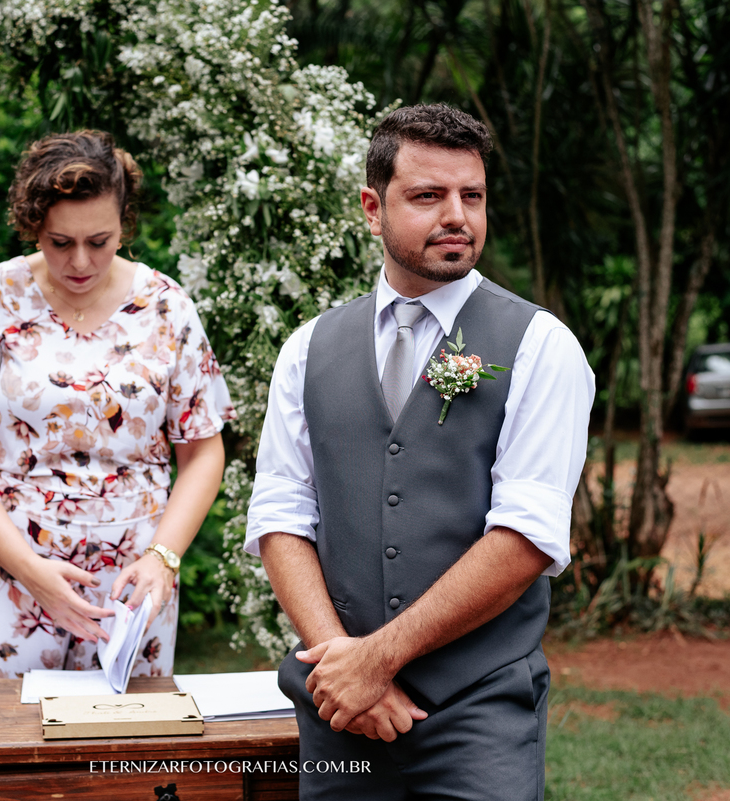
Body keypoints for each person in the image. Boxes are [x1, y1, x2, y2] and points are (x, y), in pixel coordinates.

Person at [245, 104, 595, 799]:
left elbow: (527, 535)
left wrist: (378, 658)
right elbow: (282, 516)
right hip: (339, 709)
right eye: (429, 196)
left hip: (478, 712)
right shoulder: (307, 349)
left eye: (473, 195)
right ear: (373, 209)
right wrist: (345, 670)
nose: (457, 216)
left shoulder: (540, 345)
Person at [0, 130, 235, 680]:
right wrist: (31, 570)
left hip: (133, 581)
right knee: (4, 748)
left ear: (125, 226)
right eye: (60, 242)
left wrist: (163, 560)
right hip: (6, 573)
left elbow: (204, 453)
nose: (82, 261)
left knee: (122, 749)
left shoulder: (168, 307)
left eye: (101, 240)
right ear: (33, 225)